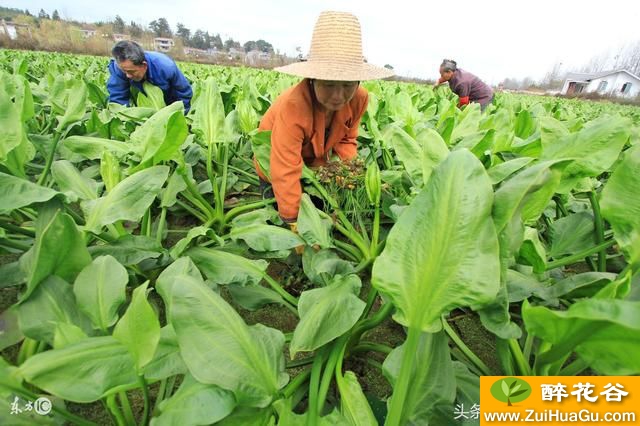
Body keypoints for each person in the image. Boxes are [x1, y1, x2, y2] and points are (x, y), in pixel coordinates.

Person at [255, 11, 393, 225]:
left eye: (347, 85)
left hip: (314, 167)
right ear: (312, 79)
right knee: (281, 222)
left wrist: (349, 175)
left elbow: (347, 139)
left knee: (326, 212)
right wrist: (292, 221)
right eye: (328, 85)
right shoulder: (294, 106)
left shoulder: (359, 98)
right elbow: (285, 169)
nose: (339, 96)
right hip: (276, 167)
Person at [107, 40, 193, 113]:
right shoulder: (119, 67)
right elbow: (118, 99)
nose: (127, 75)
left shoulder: (166, 67)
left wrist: (181, 115)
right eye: (124, 71)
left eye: (131, 71)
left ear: (144, 65)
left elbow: (184, 94)